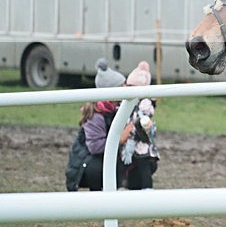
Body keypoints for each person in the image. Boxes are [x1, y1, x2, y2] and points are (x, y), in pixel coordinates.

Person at [65, 58, 129, 191]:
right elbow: (95, 147)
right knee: (99, 167)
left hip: (96, 160)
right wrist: (120, 139)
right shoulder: (96, 115)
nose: (125, 89)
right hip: (86, 163)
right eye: (122, 86)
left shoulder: (113, 109)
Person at [121, 61, 160, 190]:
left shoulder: (145, 103)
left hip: (141, 142)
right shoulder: (128, 102)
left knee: (144, 165)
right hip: (130, 141)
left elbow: (143, 120)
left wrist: (131, 132)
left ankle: (147, 190)